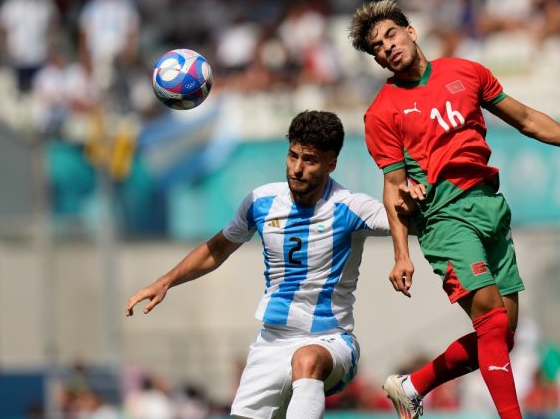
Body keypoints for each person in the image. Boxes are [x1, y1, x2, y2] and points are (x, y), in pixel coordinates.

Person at [348, 0, 560, 419]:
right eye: (378, 48)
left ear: (411, 32)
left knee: (501, 335)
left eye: (391, 35)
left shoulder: (466, 72)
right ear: (378, 61)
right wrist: (401, 254)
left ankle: (412, 385)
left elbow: (527, 119)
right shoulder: (382, 113)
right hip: (443, 217)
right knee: (493, 323)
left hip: (490, 206)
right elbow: (393, 186)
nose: (387, 46)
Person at [126, 110, 391, 419]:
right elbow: (217, 249)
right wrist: (166, 281)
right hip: (271, 343)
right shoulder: (261, 202)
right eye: (293, 156)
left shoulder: (351, 207)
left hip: (330, 340)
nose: (297, 168)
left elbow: (408, 220)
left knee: (306, 359)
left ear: (331, 164)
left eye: (309, 160)